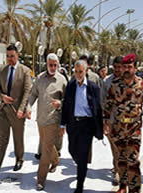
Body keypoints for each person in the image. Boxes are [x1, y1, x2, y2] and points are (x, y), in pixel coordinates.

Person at [103, 54, 143, 193]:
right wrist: (106, 122)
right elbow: (108, 105)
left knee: (133, 161)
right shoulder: (115, 85)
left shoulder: (142, 85)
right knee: (121, 159)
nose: (127, 70)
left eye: (130, 67)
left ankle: (134, 189)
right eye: (125, 67)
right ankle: (122, 186)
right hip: (118, 127)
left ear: (135, 68)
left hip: (134, 128)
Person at [0, 44, 32, 178]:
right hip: (3, 110)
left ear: (17, 56)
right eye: (8, 56)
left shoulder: (25, 71)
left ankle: (19, 159)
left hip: (17, 112)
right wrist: (2, 96)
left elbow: (27, 92)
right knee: (1, 139)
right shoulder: (3, 70)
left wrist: (22, 109)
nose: (10, 59)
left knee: (18, 139)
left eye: (12, 56)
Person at [61, 60, 103, 193]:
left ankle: (80, 185)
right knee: (72, 150)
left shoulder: (93, 87)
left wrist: (101, 127)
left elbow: (98, 108)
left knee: (83, 155)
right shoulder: (71, 86)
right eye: (76, 71)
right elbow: (66, 106)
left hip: (87, 125)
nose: (78, 74)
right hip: (73, 124)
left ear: (85, 71)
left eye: (81, 71)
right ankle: (81, 166)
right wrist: (62, 124)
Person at [26, 53, 67, 191]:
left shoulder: (62, 80)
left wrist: (60, 103)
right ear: (46, 64)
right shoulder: (39, 78)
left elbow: (68, 101)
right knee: (46, 144)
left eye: (55, 65)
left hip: (54, 119)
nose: (53, 67)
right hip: (41, 119)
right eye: (51, 65)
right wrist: (29, 107)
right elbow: (33, 94)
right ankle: (55, 160)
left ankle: (40, 179)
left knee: (45, 149)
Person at [101, 56, 123, 185]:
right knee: (114, 148)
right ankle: (117, 172)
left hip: (125, 122)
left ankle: (120, 169)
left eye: (119, 67)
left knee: (121, 148)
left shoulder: (127, 81)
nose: (117, 70)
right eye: (115, 67)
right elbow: (102, 102)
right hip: (111, 121)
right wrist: (105, 121)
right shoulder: (107, 82)